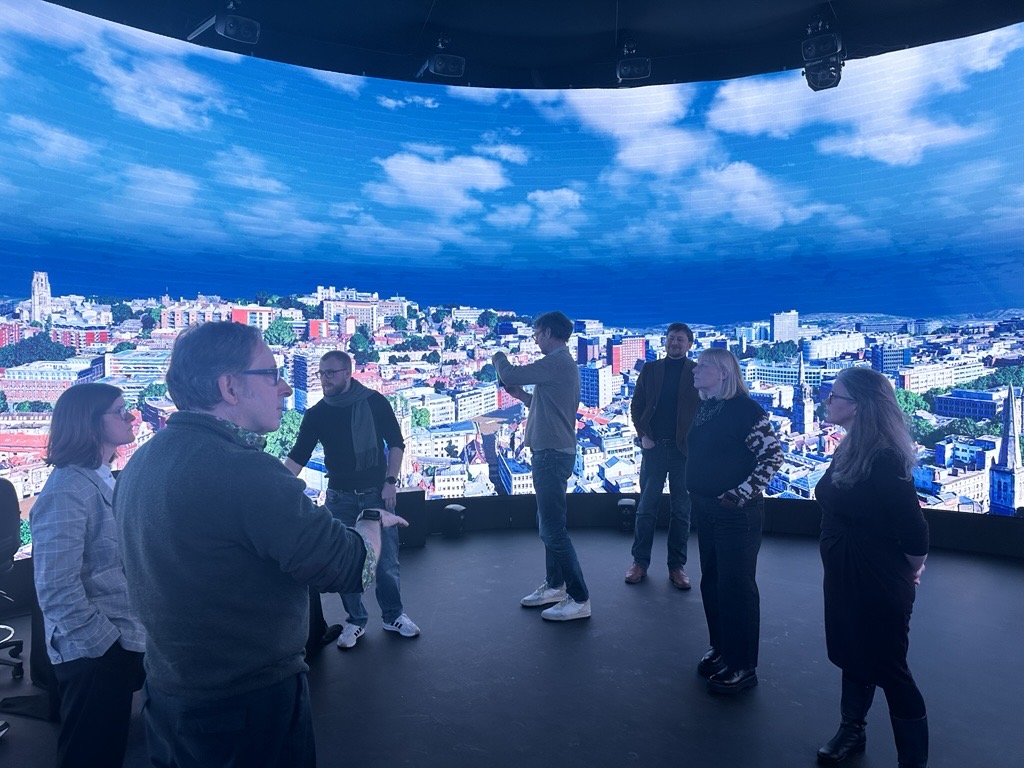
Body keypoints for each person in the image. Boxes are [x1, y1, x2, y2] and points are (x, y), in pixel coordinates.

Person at [114, 322, 406, 768]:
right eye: (271, 374)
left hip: (169, 695)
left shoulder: (143, 461)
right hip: (246, 707)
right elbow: (350, 567)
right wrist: (370, 519)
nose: (285, 388)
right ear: (229, 387)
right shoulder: (245, 472)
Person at [814, 367, 929, 768]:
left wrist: (912, 570)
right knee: (852, 654)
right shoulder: (849, 446)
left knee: (890, 669)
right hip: (845, 573)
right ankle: (852, 731)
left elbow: (915, 532)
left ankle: (912, 761)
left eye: (835, 396)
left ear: (860, 406)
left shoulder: (885, 457)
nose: (828, 401)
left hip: (877, 578)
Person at [31, 383, 145, 768]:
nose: (131, 416)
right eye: (120, 410)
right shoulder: (66, 491)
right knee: (90, 754)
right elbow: (56, 587)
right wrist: (105, 645)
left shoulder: (102, 477)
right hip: (94, 650)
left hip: (121, 638)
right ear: (90, 424)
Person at [285, 350, 420, 648]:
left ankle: (393, 615)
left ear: (348, 373)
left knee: (385, 562)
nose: (324, 379)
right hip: (339, 497)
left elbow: (396, 443)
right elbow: (299, 455)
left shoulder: (374, 402)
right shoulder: (317, 413)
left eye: (330, 373)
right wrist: (274, 486)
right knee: (345, 564)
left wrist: (390, 482)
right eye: (321, 373)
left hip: (375, 493)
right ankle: (355, 620)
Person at [686, 348, 783, 694]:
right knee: (712, 582)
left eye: (703, 367)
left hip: (735, 513)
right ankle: (722, 649)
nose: (695, 371)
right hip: (708, 508)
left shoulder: (745, 409)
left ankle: (743, 665)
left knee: (737, 587)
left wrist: (741, 493)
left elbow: (773, 455)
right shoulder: (707, 407)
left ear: (724, 373)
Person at [492, 311, 590, 621]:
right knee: (548, 524)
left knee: (552, 529)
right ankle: (555, 586)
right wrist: (522, 397)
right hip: (552, 450)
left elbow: (509, 373)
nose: (535, 338)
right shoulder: (563, 364)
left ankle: (579, 597)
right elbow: (549, 408)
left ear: (548, 332)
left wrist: (497, 356)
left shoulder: (558, 361)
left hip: (551, 454)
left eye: (536, 333)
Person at [626, 322, 700, 589]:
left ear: (689, 344)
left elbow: (705, 408)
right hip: (654, 448)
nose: (674, 343)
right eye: (671, 338)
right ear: (664, 341)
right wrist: (643, 435)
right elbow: (637, 404)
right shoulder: (651, 368)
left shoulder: (697, 371)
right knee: (646, 508)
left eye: (680, 339)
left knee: (682, 511)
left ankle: (676, 567)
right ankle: (639, 563)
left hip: (684, 452)